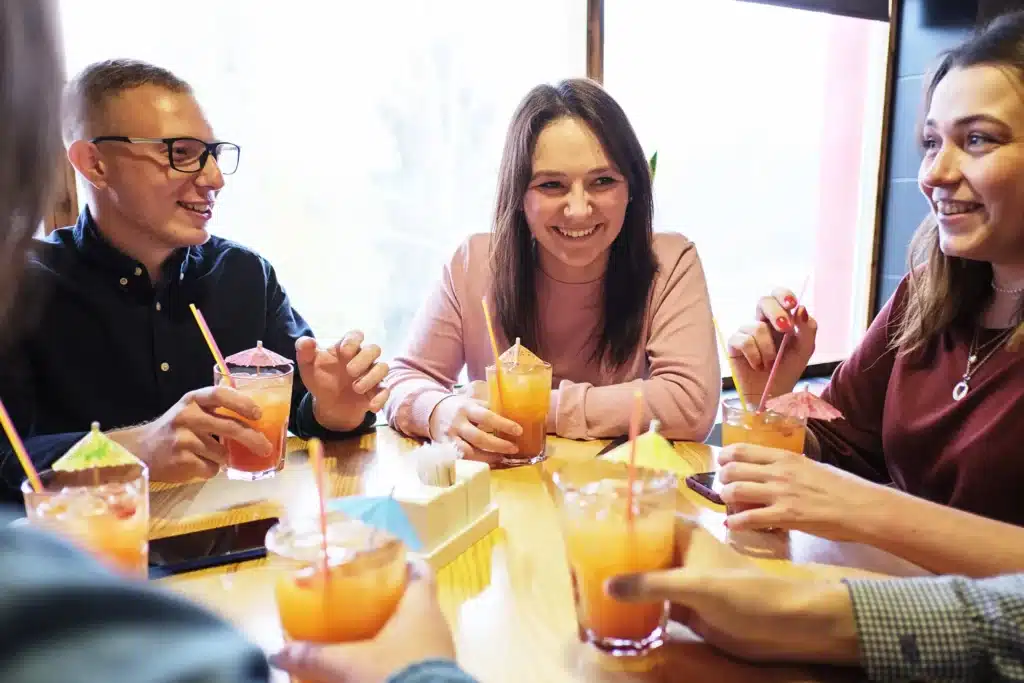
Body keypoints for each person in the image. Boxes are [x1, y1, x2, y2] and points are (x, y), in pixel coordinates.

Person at [0, 58, 390, 500]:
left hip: (245, 531)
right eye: (181, 153)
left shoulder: (244, 275)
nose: (215, 179)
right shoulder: (18, 287)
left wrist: (334, 410)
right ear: (95, 163)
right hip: (84, 541)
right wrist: (132, 450)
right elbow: (5, 457)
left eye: (213, 154)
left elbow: (300, 411)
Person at [721, 11, 1024, 578]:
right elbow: (842, 449)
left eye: (978, 139)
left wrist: (870, 510)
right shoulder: (924, 296)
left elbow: (849, 496)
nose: (934, 173)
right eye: (932, 142)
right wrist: (773, 397)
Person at [384, 78, 720, 457]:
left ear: (632, 189)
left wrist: (537, 407)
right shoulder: (473, 263)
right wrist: (440, 413)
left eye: (603, 181)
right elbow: (403, 378)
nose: (578, 210)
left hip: (624, 488)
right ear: (518, 195)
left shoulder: (670, 261)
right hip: (506, 486)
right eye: (551, 185)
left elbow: (690, 404)